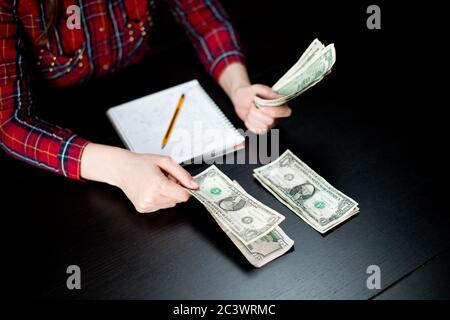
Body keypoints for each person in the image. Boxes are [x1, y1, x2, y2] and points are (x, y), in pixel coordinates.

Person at [0, 0, 292, 213]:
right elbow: (10, 121)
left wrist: (239, 87)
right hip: (61, 145)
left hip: (147, 94)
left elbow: (205, 20)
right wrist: (121, 168)